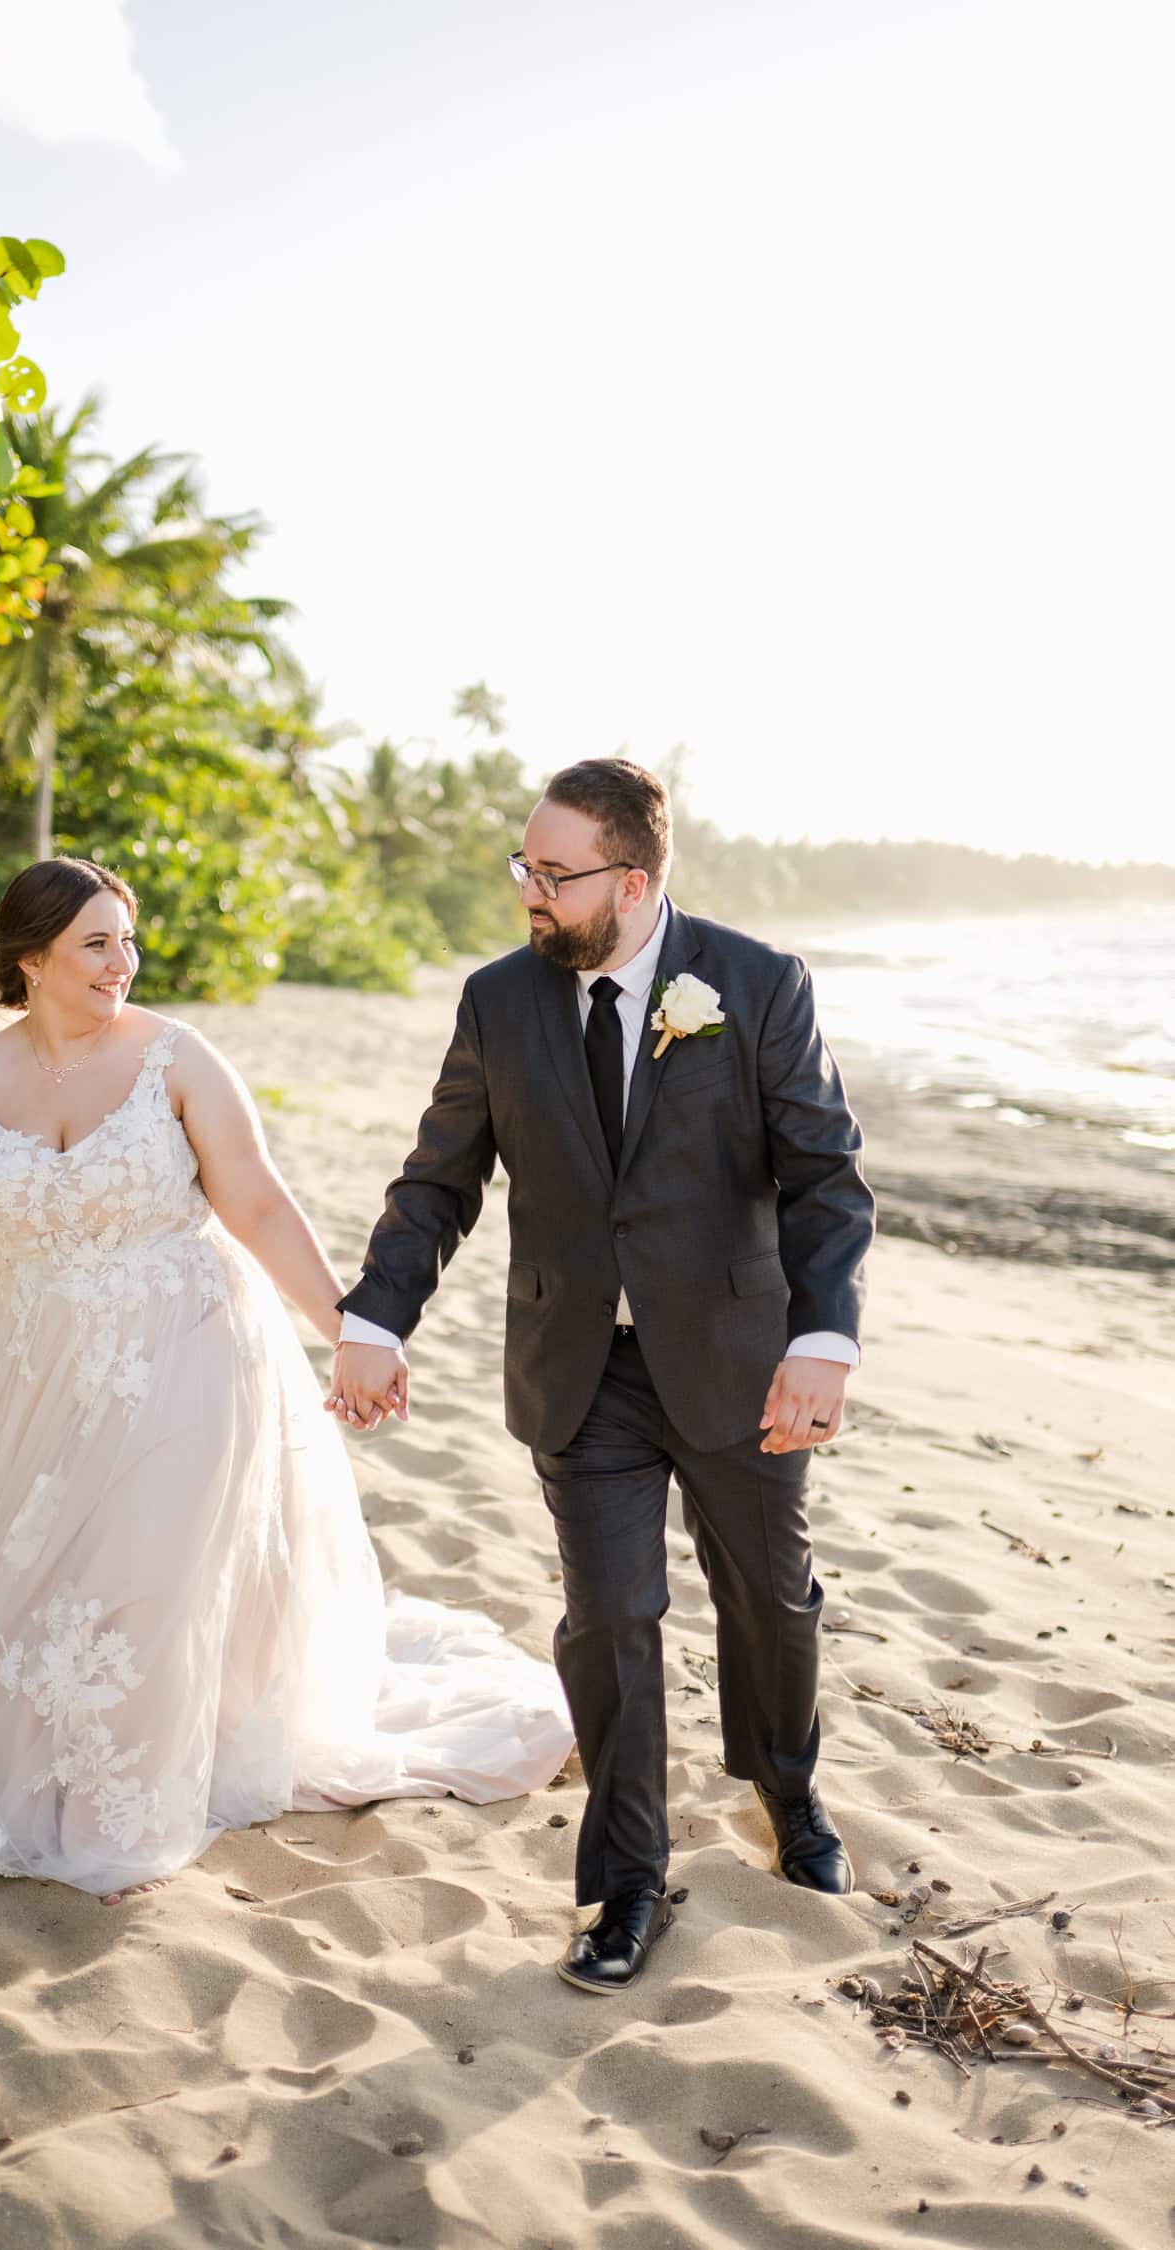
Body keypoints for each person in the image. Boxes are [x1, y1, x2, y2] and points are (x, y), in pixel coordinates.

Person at [0, 856, 572, 1904]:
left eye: (128, 938)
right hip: (39, 1375)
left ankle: (136, 1793)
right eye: (96, 943)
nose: (123, 963)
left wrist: (352, 1331)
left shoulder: (179, 1059)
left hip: (189, 1343)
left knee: (150, 1569)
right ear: (30, 958)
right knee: (61, 1578)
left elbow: (261, 1208)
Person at [326, 759, 874, 1993]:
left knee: (773, 1603)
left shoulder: (757, 984)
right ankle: (626, 1880)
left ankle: (786, 1790)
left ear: (632, 882)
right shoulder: (500, 1001)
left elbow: (827, 1182)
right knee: (612, 1619)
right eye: (524, 865)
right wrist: (377, 1316)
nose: (529, 890)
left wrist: (822, 1342)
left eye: (552, 873)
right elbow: (437, 1182)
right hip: (582, 1370)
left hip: (742, 1366)